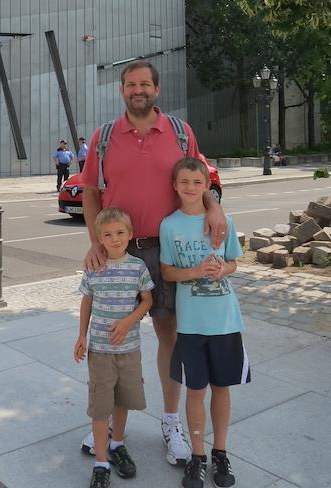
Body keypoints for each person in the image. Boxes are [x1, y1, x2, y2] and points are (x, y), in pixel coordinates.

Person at [80, 59, 227, 467]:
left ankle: (170, 421)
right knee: (112, 339)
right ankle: (109, 425)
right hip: (119, 254)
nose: (138, 90)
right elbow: (90, 191)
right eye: (131, 84)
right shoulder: (104, 136)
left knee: (170, 337)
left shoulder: (180, 132)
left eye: (145, 84)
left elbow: (199, 180)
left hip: (168, 252)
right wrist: (95, 242)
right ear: (121, 90)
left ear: (157, 90)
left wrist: (214, 207)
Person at [160, 156, 250, 488]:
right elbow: (167, 271)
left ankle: (220, 452)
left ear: (207, 187)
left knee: (221, 388)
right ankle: (197, 455)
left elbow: (234, 263)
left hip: (224, 320)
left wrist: (222, 269)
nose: (190, 187)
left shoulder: (224, 221)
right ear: (174, 186)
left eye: (197, 182)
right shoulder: (169, 225)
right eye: (184, 182)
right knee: (195, 390)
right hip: (190, 324)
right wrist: (196, 271)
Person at [74, 207, 154, 488]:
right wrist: (81, 336)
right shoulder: (94, 267)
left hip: (129, 349)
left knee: (122, 401)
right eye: (107, 235)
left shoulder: (137, 267)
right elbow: (87, 301)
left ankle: (117, 444)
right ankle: (101, 462)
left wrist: (128, 321)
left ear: (130, 234)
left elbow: (147, 300)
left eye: (120, 233)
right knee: (100, 406)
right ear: (100, 238)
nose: (115, 239)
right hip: (100, 351)